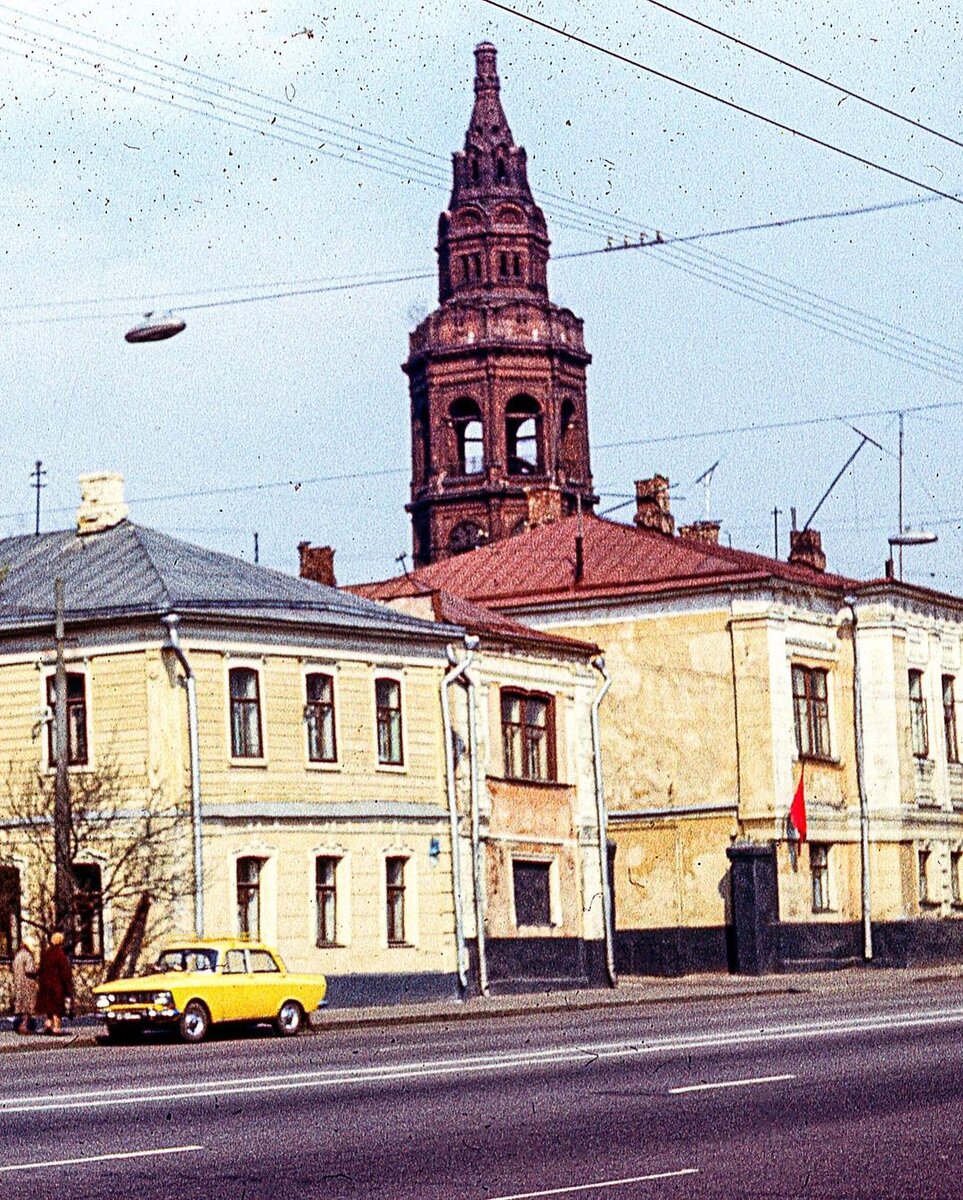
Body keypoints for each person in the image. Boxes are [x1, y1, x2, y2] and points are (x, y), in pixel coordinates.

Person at [36, 931, 73, 1035]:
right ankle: (56, 1027)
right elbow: (64, 972)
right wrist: (68, 986)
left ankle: (48, 1023)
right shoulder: (60, 955)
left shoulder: (46, 953)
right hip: (56, 984)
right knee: (57, 1008)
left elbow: (41, 969)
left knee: (48, 1006)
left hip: (45, 984)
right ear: (61, 941)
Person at [11, 941, 38, 1035]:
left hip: (18, 983)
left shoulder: (17, 956)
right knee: (28, 1006)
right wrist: (37, 970)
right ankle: (24, 1026)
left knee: (21, 1006)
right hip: (27, 983)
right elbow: (30, 970)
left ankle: (21, 1025)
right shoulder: (28, 956)